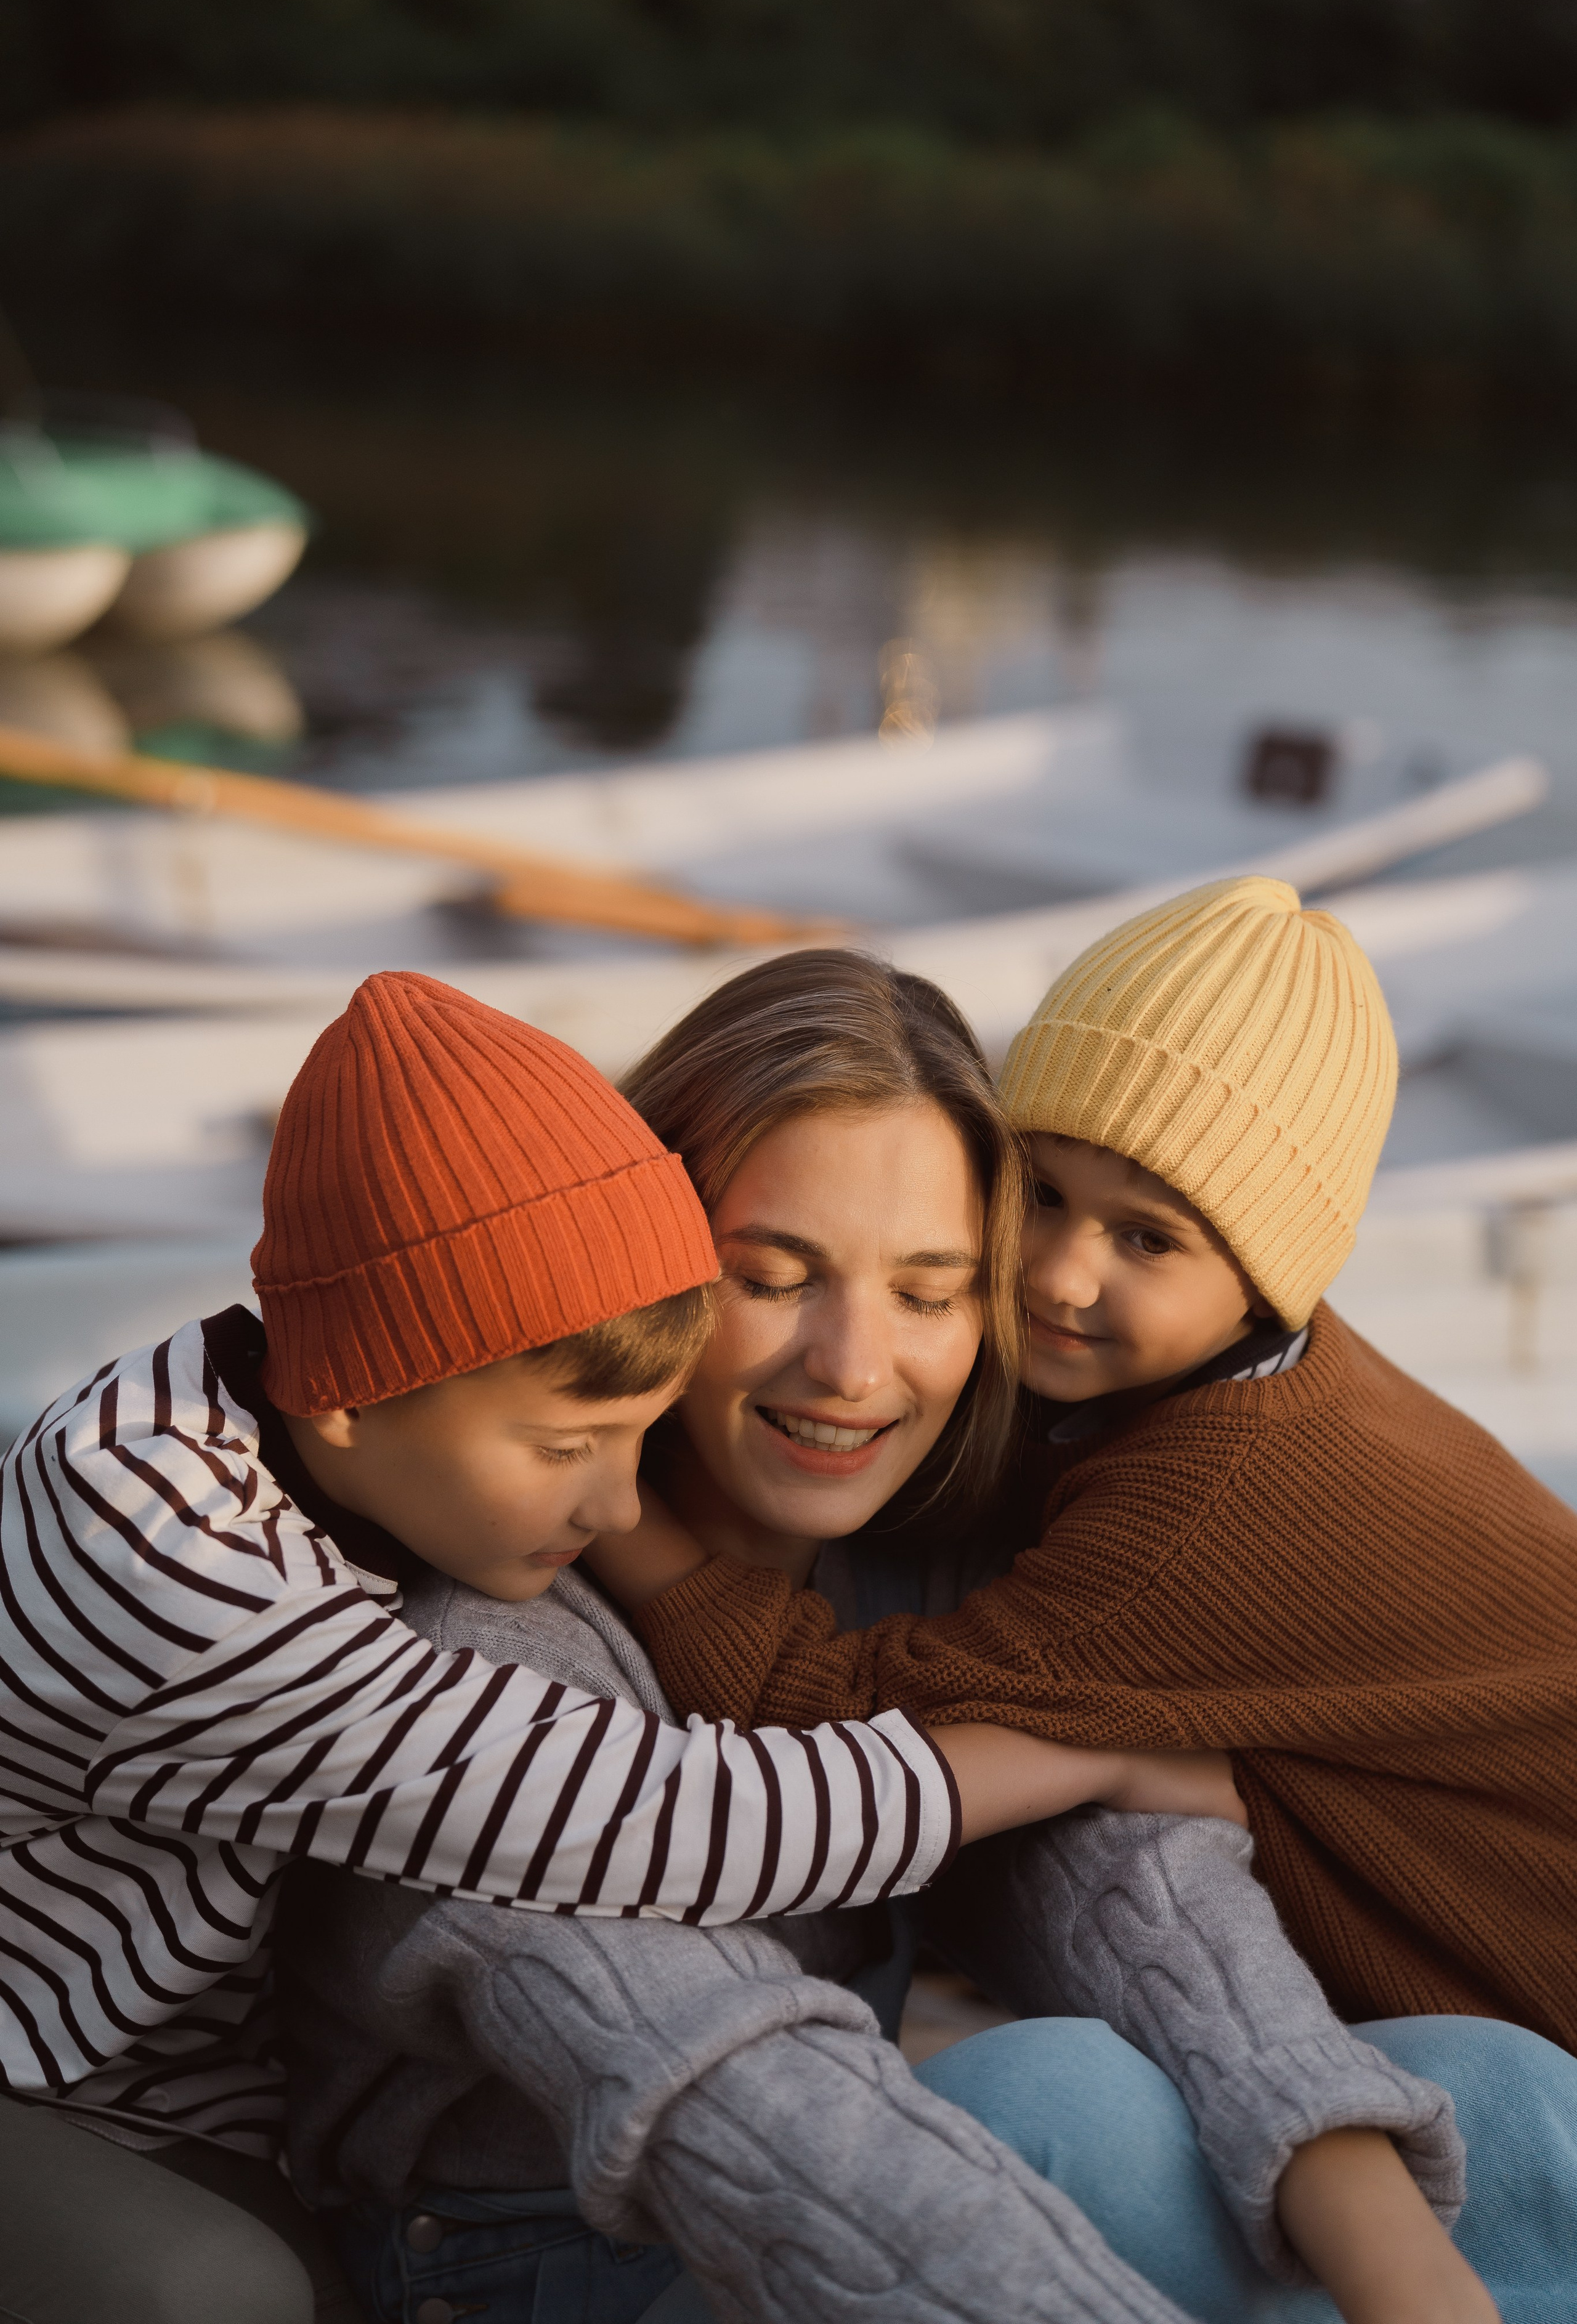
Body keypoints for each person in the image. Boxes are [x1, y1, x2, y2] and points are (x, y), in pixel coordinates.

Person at [286, 949, 1507, 2324]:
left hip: (858, 2187)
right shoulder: (479, 1650)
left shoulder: (932, 1562)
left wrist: (1397, 2266)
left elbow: (1122, 1887)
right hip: (541, 2265)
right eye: (772, 1275)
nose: (855, 1369)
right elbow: (738, 2092)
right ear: (643, 1265)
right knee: (1037, 2108)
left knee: (1492, 2094)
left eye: (929, 1293)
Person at [0, 969, 1180, 2324]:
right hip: (57, 2080)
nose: (620, 1510)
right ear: (340, 1400)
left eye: (932, 1290)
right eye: (771, 1275)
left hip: (190, 2074)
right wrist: (1072, 1754)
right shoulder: (187, 1580)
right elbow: (660, 1816)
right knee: (219, 2296)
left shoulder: (340, 1426)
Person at [592, 894, 1577, 2312]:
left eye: (1146, 1239)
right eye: (1040, 1193)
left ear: (1263, 1275)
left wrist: (615, 1508)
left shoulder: (1211, 1501)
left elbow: (828, 1723)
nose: (1057, 1275)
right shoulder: (1238, 1381)